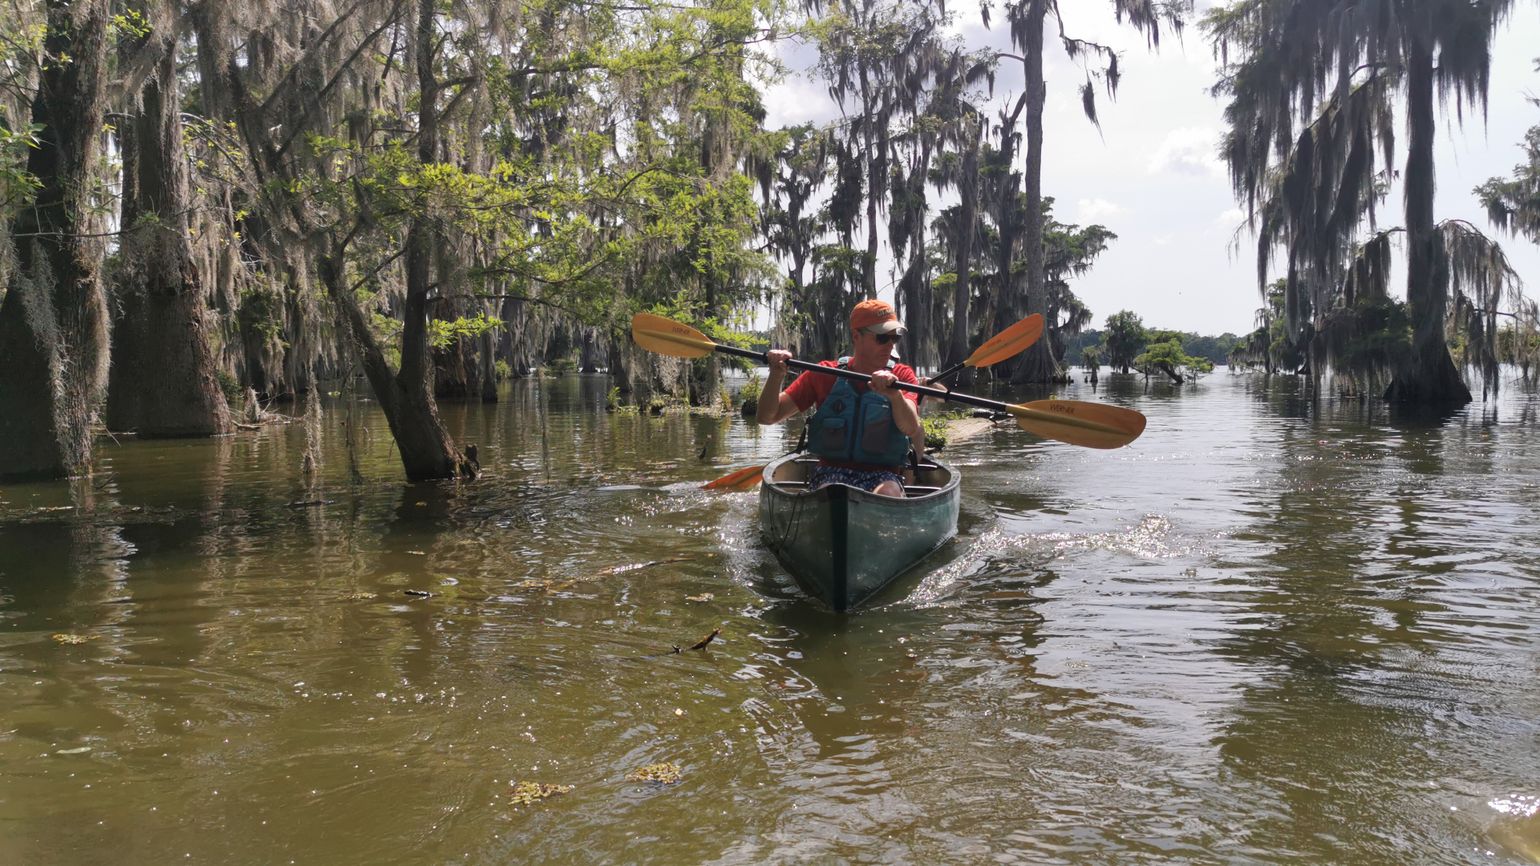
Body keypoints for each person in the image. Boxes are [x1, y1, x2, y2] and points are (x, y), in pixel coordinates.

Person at [756, 299, 923, 497]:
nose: (889, 345)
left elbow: (911, 427)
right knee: (832, 492)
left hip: (884, 476)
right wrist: (776, 374)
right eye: (881, 338)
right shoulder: (823, 373)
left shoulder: (903, 377)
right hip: (830, 474)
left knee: (888, 492)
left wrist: (894, 396)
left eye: (894, 338)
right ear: (856, 336)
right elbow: (766, 417)